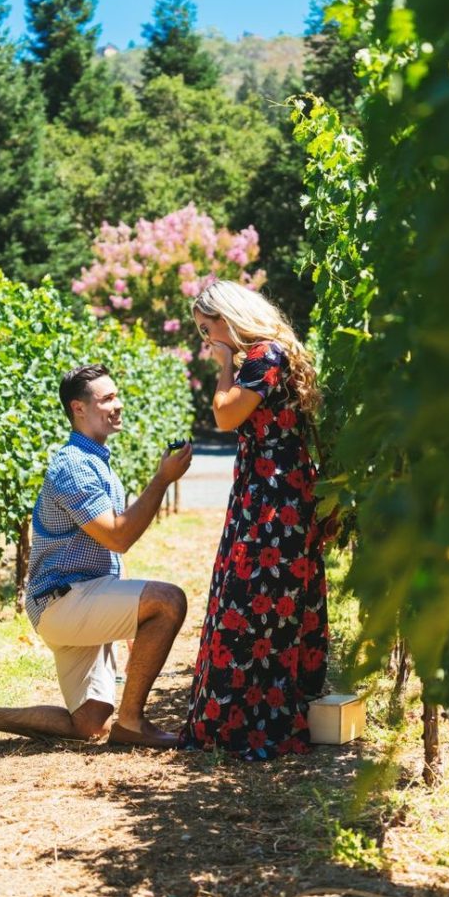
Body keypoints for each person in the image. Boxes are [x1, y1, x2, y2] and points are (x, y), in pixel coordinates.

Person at [0, 363, 192, 751]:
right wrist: (161, 479)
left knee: (88, 723)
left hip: (81, 597)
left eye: (116, 395)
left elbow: (106, 549)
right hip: (64, 602)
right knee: (170, 600)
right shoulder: (74, 466)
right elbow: (119, 537)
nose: (118, 405)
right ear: (79, 409)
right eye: (107, 399)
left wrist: (124, 616)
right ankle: (132, 722)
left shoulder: (95, 461)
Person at [179, 281, 332, 760]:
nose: (208, 342)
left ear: (229, 317)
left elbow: (226, 418)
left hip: (273, 496)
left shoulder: (264, 356)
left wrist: (225, 366)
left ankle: (255, 721)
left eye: (209, 330)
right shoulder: (277, 354)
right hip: (275, 488)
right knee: (270, 596)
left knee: (256, 600)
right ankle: (260, 714)